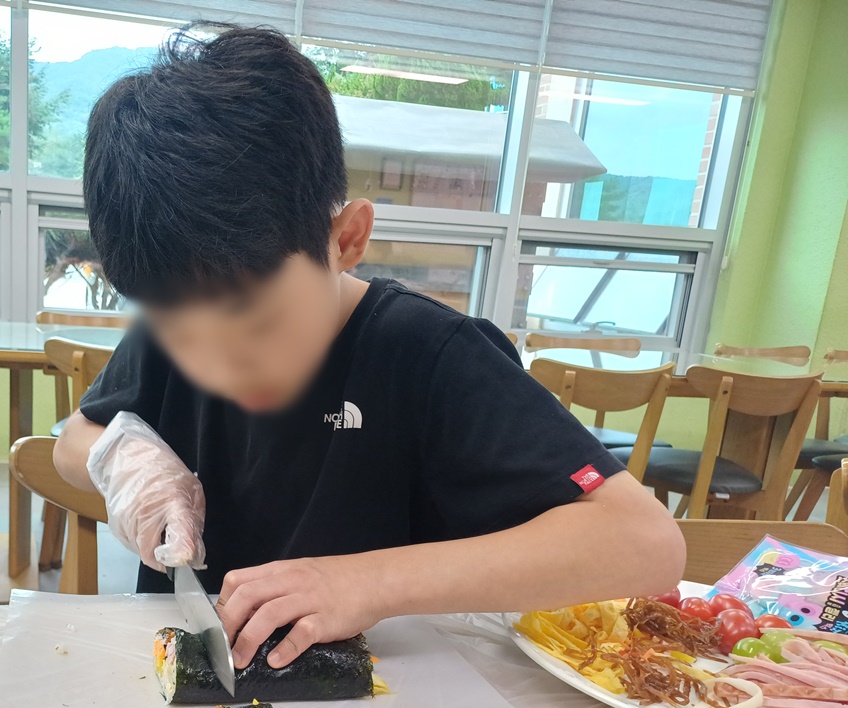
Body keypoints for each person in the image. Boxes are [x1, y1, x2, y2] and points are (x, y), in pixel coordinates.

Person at [54, 25, 685, 671]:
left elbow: (645, 542)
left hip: (390, 701)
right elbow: (74, 439)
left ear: (346, 239)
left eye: (255, 321)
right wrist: (125, 464)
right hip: (194, 688)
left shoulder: (429, 353)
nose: (216, 364)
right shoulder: (176, 318)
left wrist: (371, 581)